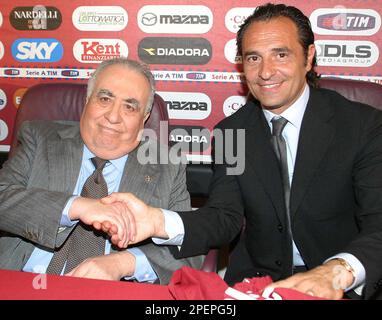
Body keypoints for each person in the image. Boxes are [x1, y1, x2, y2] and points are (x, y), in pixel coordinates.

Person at [103, 4, 382, 299]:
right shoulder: (231, 131)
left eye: (281, 54)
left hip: (342, 283)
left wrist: (337, 272)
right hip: (256, 286)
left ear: (309, 56)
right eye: (253, 58)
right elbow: (224, 217)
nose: (265, 72)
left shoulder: (363, 126)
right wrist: (157, 221)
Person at [0, 57, 203, 284]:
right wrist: (76, 206)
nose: (113, 117)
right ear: (87, 100)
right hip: (21, 281)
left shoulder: (167, 165)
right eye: (105, 98)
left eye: (129, 106)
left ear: (144, 118)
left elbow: (190, 252)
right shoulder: (40, 137)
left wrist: (125, 263)